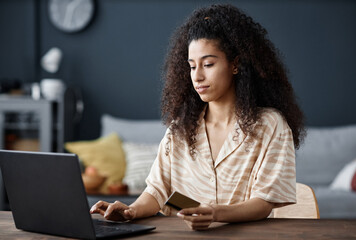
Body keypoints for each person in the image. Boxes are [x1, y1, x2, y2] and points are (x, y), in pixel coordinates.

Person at [90, 4, 305, 230]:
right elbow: (158, 191)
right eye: (192, 67)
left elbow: (263, 203)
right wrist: (130, 211)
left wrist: (214, 213)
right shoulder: (180, 128)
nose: (198, 76)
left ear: (235, 64)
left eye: (208, 64)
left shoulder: (270, 125)